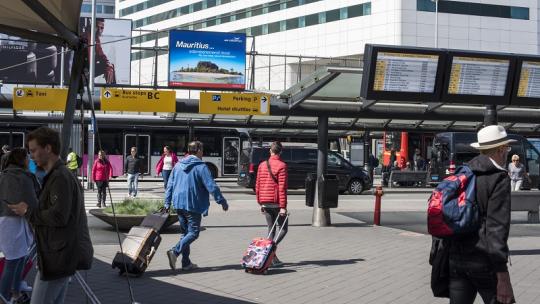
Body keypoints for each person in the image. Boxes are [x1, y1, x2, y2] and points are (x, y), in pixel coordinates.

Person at [7, 127, 93, 304]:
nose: (31, 156)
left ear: (47, 148)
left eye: (33, 150)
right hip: (58, 255)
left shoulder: (60, 177)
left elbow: (59, 216)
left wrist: (27, 211)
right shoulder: (58, 175)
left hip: (57, 257)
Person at [448, 125, 515, 304]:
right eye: (507, 148)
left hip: (456, 258)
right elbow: (496, 229)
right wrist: (503, 275)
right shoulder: (498, 178)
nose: (508, 152)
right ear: (501, 149)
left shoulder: (464, 172)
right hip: (484, 261)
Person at [163, 141, 228, 271]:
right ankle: (175, 252)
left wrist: (167, 203)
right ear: (198, 150)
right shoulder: (201, 166)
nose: (203, 152)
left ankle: (186, 263)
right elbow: (212, 186)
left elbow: (170, 185)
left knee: (185, 233)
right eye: (202, 150)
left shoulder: (178, 165)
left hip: (178, 204)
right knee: (193, 233)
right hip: (193, 204)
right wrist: (222, 201)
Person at [0, 148, 39, 304]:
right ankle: (4, 297)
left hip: (4, 221)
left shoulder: (3, 176)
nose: (29, 160)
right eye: (27, 158)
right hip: (16, 222)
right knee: (14, 261)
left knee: (18, 259)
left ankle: (15, 294)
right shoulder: (24, 177)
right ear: (22, 160)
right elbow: (33, 201)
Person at [255, 141, 288, 266]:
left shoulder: (262, 165)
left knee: (271, 229)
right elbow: (282, 188)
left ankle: (272, 257)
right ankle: (270, 251)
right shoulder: (282, 165)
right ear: (280, 152)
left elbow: (257, 185)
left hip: (265, 202)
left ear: (270, 151)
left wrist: (260, 203)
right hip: (276, 203)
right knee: (283, 229)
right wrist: (283, 207)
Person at [83, 18, 115, 84]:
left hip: (90, 68)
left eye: (102, 28)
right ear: (92, 26)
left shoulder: (96, 39)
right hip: (82, 69)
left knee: (110, 67)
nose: (99, 30)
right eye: (97, 27)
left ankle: (111, 89)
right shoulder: (85, 36)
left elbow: (101, 55)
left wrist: (108, 65)